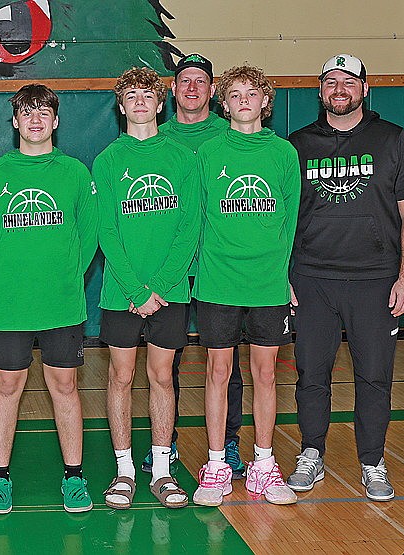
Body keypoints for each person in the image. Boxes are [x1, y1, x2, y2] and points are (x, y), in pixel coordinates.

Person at [287, 54, 404, 501]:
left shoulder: (393, 140)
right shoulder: (296, 145)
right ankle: (311, 454)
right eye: (331, 81)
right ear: (320, 92)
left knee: (374, 376)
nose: (339, 89)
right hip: (311, 279)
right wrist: (283, 275)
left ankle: (372, 460)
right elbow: (279, 219)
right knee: (312, 374)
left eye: (348, 81)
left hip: (375, 281)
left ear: (365, 89)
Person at [0, 84, 98, 514]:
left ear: (56, 121)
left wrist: (63, 277)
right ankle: (0, 477)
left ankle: (75, 476)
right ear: (15, 121)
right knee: (7, 387)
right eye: (27, 112)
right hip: (10, 305)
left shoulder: (75, 173)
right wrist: (4, 283)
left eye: (44, 112)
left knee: (65, 387)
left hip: (61, 303)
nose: (36, 119)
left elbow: (89, 234)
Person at [191, 66, 299, 507]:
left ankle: (264, 464)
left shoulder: (284, 154)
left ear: (265, 101)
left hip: (268, 285)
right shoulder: (209, 153)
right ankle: (216, 464)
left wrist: (284, 273)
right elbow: (197, 218)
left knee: (266, 374)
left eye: (252, 93)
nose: (243, 99)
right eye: (234, 93)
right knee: (219, 373)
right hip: (219, 283)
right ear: (224, 102)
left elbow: (289, 221)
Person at [95, 67, 200, 510]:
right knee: (120, 377)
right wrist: (137, 290)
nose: (140, 101)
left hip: (170, 292)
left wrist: (159, 286)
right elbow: (107, 232)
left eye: (147, 95)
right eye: (131, 95)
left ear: (161, 104)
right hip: (122, 293)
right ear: (121, 107)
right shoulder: (107, 160)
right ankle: (123, 470)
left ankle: (161, 468)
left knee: (161, 377)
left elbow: (189, 228)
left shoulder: (182, 158)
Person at [143, 53, 247, 481]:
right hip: (169, 272)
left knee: (226, 361)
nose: (191, 88)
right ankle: (162, 447)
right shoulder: (155, 136)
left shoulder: (232, 135)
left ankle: (230, 442)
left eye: (200, 82)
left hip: (218, 270)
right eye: (184, 80)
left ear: (213, 91)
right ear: (172, 88)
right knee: (164, 364)